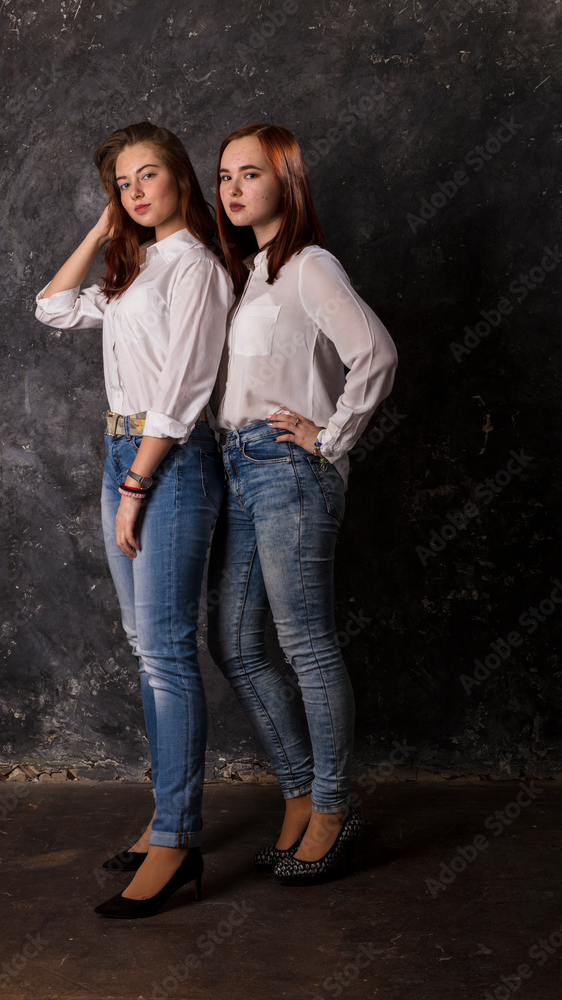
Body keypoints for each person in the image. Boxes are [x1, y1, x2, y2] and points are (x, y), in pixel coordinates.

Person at [35, 122, 232, 916]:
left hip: (168, 464)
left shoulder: (197, 269)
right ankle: (164, 821)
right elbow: (50, 308)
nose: (138, 191)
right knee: (145, 649)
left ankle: (178, 840)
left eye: (149, 176)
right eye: (123, 184)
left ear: (181, 178)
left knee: (168, 655)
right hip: (122, 456)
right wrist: (103, 228)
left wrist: (139, 485)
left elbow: (183, 389)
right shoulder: (135, 265)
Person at [207, 123, 398, 885]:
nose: (231, 188)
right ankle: (297, 795)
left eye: (249, 174)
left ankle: (331, 805)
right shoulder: (250, 273)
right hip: (239, 467)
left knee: (306, 645)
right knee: (237, 644)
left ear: (286, 181)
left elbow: (374, 352)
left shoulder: (309, 265)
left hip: (289, 471)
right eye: (223, 175)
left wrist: (330, 437)